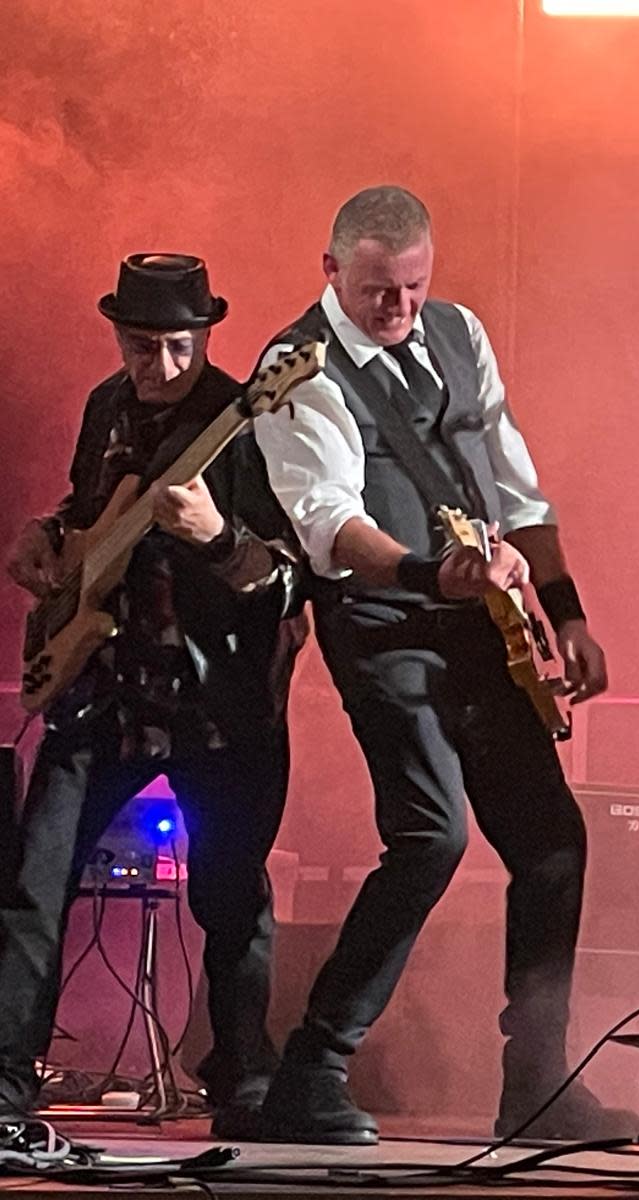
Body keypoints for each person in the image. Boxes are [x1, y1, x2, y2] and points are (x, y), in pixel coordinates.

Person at [249, 185, 629, 1145]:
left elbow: (516, 485)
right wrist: (430, 573)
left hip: (481, 625)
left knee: (551, 838)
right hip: (382, 624)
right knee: (431, 835)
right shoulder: (298, 368)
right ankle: (312, 1067)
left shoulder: (459, 333)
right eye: (380, 290)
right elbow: (330, 523)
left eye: (415, 286)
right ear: (331, 270)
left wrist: (567, 611)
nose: (401, 308)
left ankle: (535, 1084)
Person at [0, 254, 305, 1137]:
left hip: (217, 704)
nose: (159, 365)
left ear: (206, 337)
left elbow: (291, 579)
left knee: (231, 898)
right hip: (103, 691)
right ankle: (6, 1078)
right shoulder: (106, 407)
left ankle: (244, 1078)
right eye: (141, 346)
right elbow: (87, 511)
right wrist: (47, 534)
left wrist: (217, 539)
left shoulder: (252, 419)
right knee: (33, 882)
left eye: (178, 346)